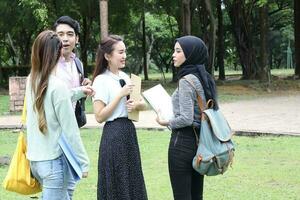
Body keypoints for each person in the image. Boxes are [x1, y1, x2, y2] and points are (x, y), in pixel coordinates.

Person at [25, 30, 91, 199]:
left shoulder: (32, 80)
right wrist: (84, 163)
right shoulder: (57, 86)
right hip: (54, 163)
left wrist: (78, 92)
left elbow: (50, 99)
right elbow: (71, 130)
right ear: (58, 52)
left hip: (35, 163)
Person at [156, 35, 219, 200]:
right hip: (200, 143)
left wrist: (166, 121)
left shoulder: (186, 80)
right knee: (196, 195)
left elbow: (186, 118)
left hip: (182, 143)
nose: (173, 55)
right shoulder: (204, 77)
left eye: (178, 51)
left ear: (190, 54)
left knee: (182, 196)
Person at [92, 35, 148, 200]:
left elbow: (143, 104)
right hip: (113, 134)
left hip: (129, 132)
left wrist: (137, 105)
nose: (124, 56)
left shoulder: (126, 77)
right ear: (108, 56)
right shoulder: (101, 80)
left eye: (125, 52)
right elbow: (99, 116)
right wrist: (119, 95)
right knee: (117, 180)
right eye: (120, 52)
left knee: (132, 179)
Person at [53, 15, 93, 127]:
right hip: (53, 126)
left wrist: (85, 87)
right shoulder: (48, 65)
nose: (65, 39)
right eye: (60, 34)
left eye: (70, 34)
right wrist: (80, 90)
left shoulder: (78, 64)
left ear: (77, 39)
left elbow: (78, 96)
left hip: (72, 124)